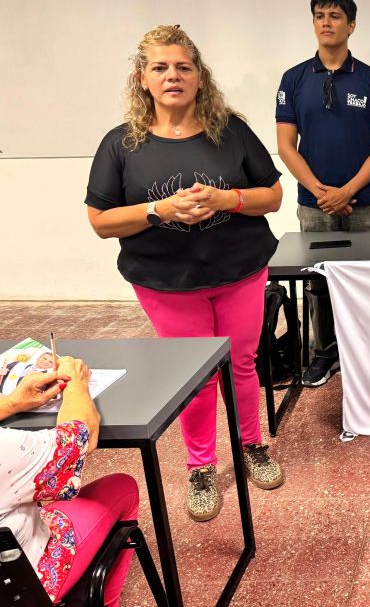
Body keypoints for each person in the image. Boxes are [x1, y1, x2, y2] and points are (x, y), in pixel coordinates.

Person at [86, 25, 285, 522]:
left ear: (200, 76)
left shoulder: (231, 132)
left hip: (240, 270)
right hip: (167, 282)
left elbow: (273, 196)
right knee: (195, 377)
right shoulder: (121, 144)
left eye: (183, 67)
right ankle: (201, 467)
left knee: (242, 363)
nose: (172, 76)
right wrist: (158, 210)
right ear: (142, 78)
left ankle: (252, 445)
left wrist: (227, 199)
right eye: (160, 67)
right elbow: (101, 221)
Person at [276, 0, 370, 387]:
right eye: (319, 16)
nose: (326, 23)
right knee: (318, 282)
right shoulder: (294, 79)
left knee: (367, 281)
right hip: (315, 205)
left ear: (352, 25)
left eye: (335, 16)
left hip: (364, 203)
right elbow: (286, 146)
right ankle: (325, 354)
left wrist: (347, 191)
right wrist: (323, 193)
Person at [0, 355, 138, 606]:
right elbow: (79, 439)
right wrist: (75, 382)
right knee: (123, 488)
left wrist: (10, 403)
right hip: (22, 586)